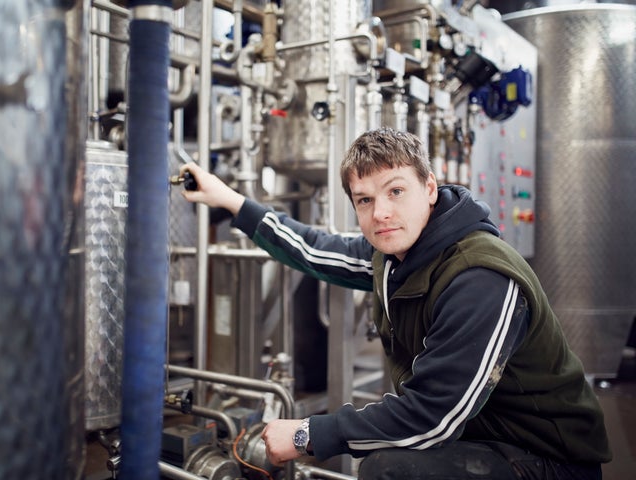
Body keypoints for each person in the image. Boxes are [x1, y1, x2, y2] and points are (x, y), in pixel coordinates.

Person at [178, 128, 611, 480]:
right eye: (365, 200)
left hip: (547, 457)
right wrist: (228, 199)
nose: (380, 212)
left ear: (429, 188)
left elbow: (432, 416)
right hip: (481, 434)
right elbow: (314, 248)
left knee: (391, 470)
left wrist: (308, 432)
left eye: (395, 191)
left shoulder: (480, 277)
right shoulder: (393, 254)